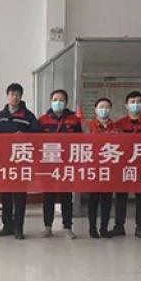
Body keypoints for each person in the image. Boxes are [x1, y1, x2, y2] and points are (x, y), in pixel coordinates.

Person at [0, 83, 40, 240]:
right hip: (4, 162)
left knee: (20, 196)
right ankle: (7, 226)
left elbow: (37, 137)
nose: (14, 97)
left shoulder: (29, 117)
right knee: (5, 195)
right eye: (12, 94)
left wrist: (25, 137)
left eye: (17, 94)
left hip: (21, 162)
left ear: (21, 97)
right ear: (7, 96)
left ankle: (18, 228)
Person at [38, 89, 82, 239]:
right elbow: (37, 142)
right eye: (55, 99)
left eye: (61, 100)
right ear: (50, 102)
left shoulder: (74, 120)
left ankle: (67, 227)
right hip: (48, 163)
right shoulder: (42, 120)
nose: (58, 102)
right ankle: (47, 227)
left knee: (66, 197)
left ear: (66, 102)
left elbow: (80, 140)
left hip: (67, 163)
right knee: (48, 197)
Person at [112, 90, 141, 239]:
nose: (135, 104)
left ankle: (140, 228)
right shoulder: (119, 124)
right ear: (126, 105)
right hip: (123, 166)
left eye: (138, 102)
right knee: (120, 198)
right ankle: (119, 226)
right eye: (132, 102)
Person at [86, 97, 118, 239]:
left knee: (107, 200)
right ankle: (92, 228)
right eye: (101, 107)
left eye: (106, 107)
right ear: (95, 109)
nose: (104, 110)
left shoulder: (116, 127)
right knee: (93, 200)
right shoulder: (88, 126)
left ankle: (104, 228)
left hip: (110, 169)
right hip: (93, 168)